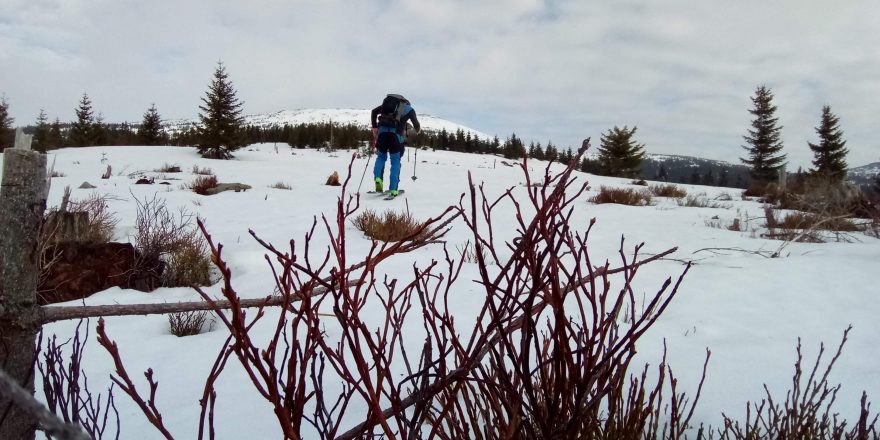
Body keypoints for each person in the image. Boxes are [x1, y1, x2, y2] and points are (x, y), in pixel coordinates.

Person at [371, 94, 420, 197]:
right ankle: (393, 189)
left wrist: (375, 127)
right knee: (395, 161)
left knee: (381, 157)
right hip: (396, 136)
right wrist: (417, 130)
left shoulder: (386, 107)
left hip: (382, 133)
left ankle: (378, 178)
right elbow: (416, 125)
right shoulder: (409, 109)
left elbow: (374, 112)